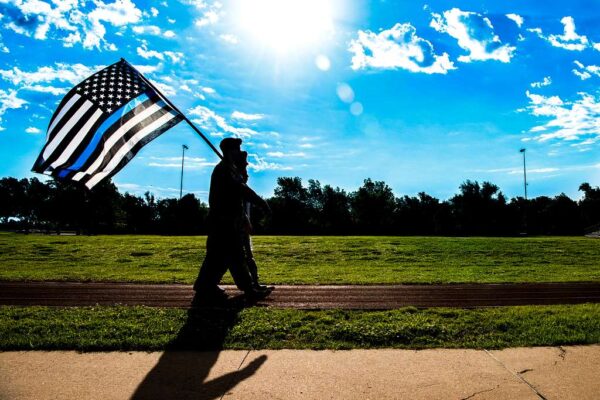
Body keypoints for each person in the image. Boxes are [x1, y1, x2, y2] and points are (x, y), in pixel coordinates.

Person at [192, 138, 271, 303]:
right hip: (223, 223)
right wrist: (261, 202)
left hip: (224, 223)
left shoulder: (229, 170)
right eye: (236, 149)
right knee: (235, 256)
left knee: (217, 258)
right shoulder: (224, 171)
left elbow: (238, 193)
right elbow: (241, 190)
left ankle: (205, 286)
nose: (239, 151)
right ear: (229, 151)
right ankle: (249, 289)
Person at [236, 151, 268, 290]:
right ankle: (251, 285)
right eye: (245, 169)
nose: (247, 174)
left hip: (243, 228)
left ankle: (254, 283)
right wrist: (246, 220)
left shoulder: (242, 185)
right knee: (241, 258)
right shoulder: (236, 185)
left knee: (247, 256)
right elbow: (237, 208)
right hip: (238, 229)